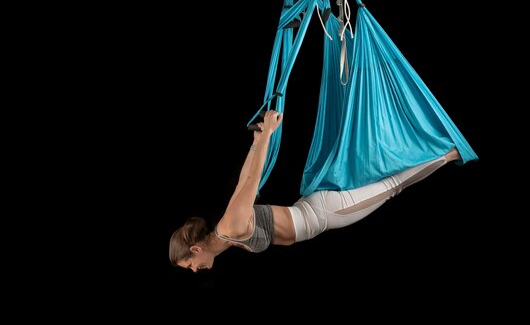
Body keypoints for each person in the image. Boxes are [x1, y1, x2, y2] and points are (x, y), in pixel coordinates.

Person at [169, 110, 462, 273]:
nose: (195, 270)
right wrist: (256, 142)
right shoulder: (226, 232)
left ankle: (449, 153)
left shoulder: (230, 227)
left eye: (190, 265)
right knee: (379, 178)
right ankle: (441, 150)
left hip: (324, 213)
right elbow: (242, 183)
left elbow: (250, 182)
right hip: (314, 210)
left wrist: (267, 135)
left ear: (196, 250)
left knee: (390, 188)